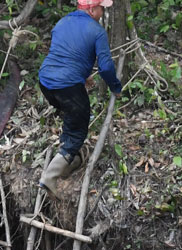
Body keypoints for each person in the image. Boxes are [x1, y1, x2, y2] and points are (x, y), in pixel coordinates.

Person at [37, 0, 123, 188]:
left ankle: (69, 160)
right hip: (67, 85)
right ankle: (49, 177)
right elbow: (106, 67)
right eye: (101, 8)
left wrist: (82, 77)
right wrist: (115, 87)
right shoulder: (97, 30)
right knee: (78, 129)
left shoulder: (61, 23)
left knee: (72, 114)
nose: (102, 12)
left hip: (45, 81)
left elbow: (66, 55)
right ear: (92, 9)